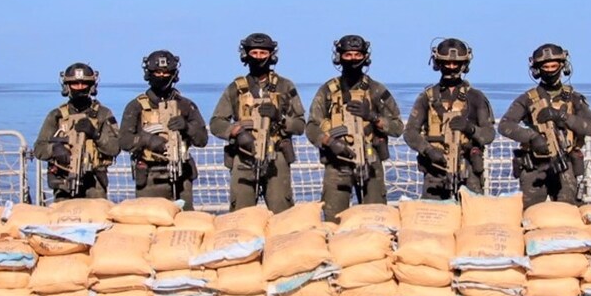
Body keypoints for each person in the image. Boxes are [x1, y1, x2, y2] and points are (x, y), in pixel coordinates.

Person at [306, 35, 404, 223]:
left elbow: (398, 127)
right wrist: (328, 141)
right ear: (339, 57)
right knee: (333, 220)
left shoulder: (376, 90)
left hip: (370, 163)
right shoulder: (328, 91)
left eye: (357, 55)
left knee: (376, 219)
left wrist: (373, 117)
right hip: (337, 164)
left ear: (365, 57)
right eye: (348, 55)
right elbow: (311, 126)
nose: (352, 59)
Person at [209, 33, 307, 213]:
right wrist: (237, 132)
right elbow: (216, 122)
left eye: (264, 53)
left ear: (271, 55)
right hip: (244, 156)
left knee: (282, 212)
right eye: (255, 52)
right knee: (241, 213)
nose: (259, 57)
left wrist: (280, 118)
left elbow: (301, 125)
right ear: (246, 55)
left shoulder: (285, 86)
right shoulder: (236, 88)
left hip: (276, 157)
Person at [498, 43, 591, 208]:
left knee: (567, 211)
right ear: (537, 69)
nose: (550, 70)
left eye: (554, 66)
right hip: (535, 165)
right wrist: (532, 137)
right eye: (545, 66)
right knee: (531, 213)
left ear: (562, 66)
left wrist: (563, 116)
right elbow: (505, 125)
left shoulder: (574, 98)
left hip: (565, 163)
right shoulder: (528, 98)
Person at [404, 38, 496, 199]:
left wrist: (470, 128)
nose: (451, 68)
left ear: (464, 64)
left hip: (468, 170)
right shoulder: (427, 97)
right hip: (435, 170)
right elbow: (410, 133)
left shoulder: (475, 97)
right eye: (447, 63)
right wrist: (429, 150)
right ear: (438, 63)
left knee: (472, 217)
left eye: (456, 63)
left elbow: (489, 134)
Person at [119, 50, 209, 209]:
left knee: (185, 223)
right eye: (157, 72)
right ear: (149, 73)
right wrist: (148, 140)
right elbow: (124, 141)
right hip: (150, 175)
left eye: (166, 73)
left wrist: (187, 127)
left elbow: (202, 139)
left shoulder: (186, 105)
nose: (162, 76)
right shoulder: (136, 106)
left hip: (181, 173)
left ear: (174, 74)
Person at [33, 63, 121, 201]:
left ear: (91, 85)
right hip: (64, 180)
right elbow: (39, 148)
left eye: (84, 83)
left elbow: (115, 147)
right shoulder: (57, 116)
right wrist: (55, 149)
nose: (79, 87)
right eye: (75, 84)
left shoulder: (103, 114)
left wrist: (95, 134)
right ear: (67, 86)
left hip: (94, 182)